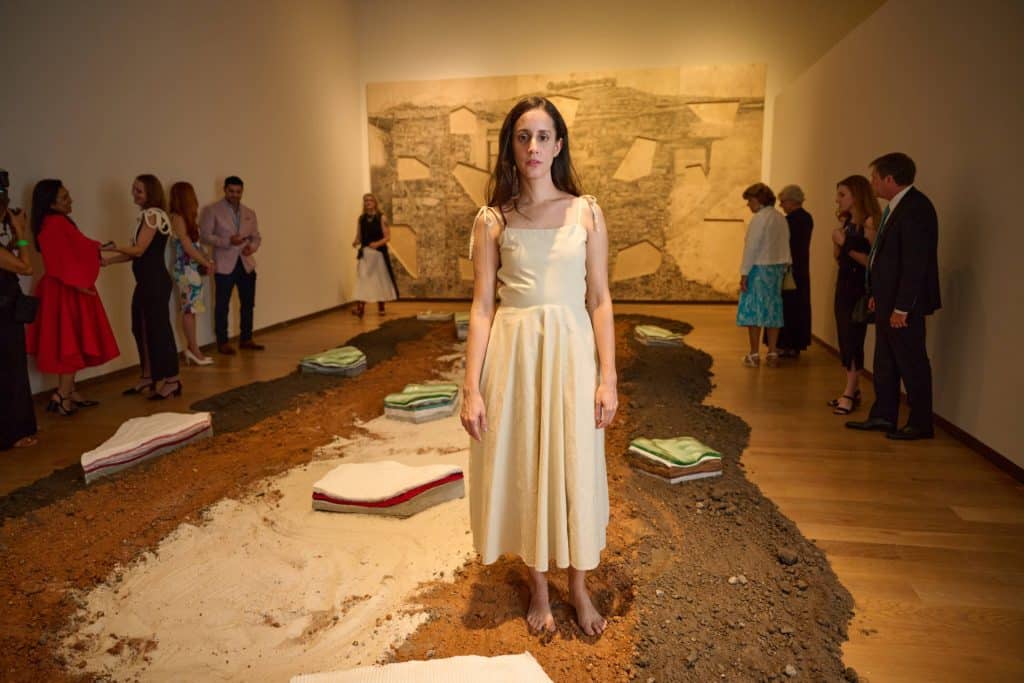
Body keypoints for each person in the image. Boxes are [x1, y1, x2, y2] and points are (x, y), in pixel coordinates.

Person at [461, 96, 617, 637]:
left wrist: (608, 378)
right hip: (515, 357)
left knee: (573, 463)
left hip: (572, 357)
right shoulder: (493, 221)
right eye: (523, 136)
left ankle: (578, 587)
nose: (533, 147)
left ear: (558, 144)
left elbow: (599, 298)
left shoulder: (585, 212)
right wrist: (471, 388)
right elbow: (483, 307)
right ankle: (539, 588)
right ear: (511, 145)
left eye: (543, 136)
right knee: (527, 465)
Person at [847, 152, 940, 440]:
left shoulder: (916, 208)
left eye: (875, 178)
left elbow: (914, 264)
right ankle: (884, 415)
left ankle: (920, 422)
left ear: (889, 178)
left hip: (904, 306)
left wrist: (901, 307)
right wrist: (878, 293)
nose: (872, 183)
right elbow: (887, 259)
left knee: (911, 362)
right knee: (885, 360)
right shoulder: (895, 208)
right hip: (888, 301)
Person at [25, 180, 119, 414]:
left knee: (69, 341)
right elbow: (69, 256)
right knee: (70, 344)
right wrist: (82, 281)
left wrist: (99, 248)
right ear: (52, 203)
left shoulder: (49, 223)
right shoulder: (55, 224)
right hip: (67, 290)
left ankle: (70, 390)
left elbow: (76, 249)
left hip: (62, 288)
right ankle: (62, 396)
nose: (71, 201)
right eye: (65, 198)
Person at [104, 175, 182, 400]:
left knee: (159, 331)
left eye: (139, 191)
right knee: (140, 328)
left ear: (151, 193)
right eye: (133, 190)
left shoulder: (153, 215)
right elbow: (137, 254)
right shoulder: (146, 217)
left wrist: (115, 247)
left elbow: (138, 250)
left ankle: (172, 380)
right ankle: (148, 376)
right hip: (147, 282)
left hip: (155, 283)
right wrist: (109, 260)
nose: (134, 195)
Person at [829, 175, 880, 415]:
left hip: (859, 289)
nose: (837, 200)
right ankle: (852, 389)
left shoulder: (870, 223)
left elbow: (871, 262)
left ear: (856, 196)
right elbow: (840, 260)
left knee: (853, 339)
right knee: (844, 339)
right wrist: (838, 244)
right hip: (844, 286)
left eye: (842, 195)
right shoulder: (849, 222)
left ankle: (850, 392)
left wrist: (846, 243)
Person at [199, 176, 263, 354]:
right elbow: (204, 236)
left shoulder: (249, 212)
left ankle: (247, 338)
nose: (235, 195)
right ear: (224, 190)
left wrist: (252, 247)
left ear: (242, 191)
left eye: (238, 192)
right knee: (222, 304)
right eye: (231, 191)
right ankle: (223, 341)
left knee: (248, 303)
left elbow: (256, 236)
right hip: (224, 264)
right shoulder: (212, 210)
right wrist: (228, 241)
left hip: (246, 263)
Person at [737, 183, 791, 367]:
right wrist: (784, 266)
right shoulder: (780, 218)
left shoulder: (760, 219)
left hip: (759, 268)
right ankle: (772, 352)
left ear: (759, 200)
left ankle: (753, 354)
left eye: (750, 200)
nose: (748, 205)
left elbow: (751, 247)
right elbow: (785, 245)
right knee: (773, 310)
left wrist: (744, 273)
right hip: (776, 269)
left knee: (754, 311)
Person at [0, 181, 38, 448]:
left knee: (10, 369)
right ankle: (13, 433)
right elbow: (26, 267)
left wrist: (15, 237)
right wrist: (21, 232)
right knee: (10, 370)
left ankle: (15, 430)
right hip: (3, 316)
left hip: (6, 311)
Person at [168, 181, 215, 366]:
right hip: (186, 270)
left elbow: (195, 245)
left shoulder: (186, 218)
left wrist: (206, 259)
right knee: (189, 311)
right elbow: (187, 247)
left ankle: (193, 348)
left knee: (192, 310)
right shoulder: (177, 218)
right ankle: (193, 350)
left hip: (191, 269)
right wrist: (205, 262)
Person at [775, 185, 813, 357]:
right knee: (799, 307)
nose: (781, 205)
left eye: (782, 202)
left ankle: (785, 344)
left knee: (787, 308)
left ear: (791, 201)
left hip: (789, 270)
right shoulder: (807, 218)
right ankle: (795, 344)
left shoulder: (789, 221)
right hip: (801, 268)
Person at [350, 193, 398, 318]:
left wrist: (377, 243)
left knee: (379, 280)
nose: (368, 202)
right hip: (365, 254)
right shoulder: (361, 219)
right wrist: (356, 241)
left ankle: (381, 307)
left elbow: (388, 237)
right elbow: (359, 236)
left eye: (370, 200)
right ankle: (360, 309)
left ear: (375, 202)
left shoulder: (381, 218)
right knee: (363, 279)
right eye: (366, 200)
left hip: (378, 255)